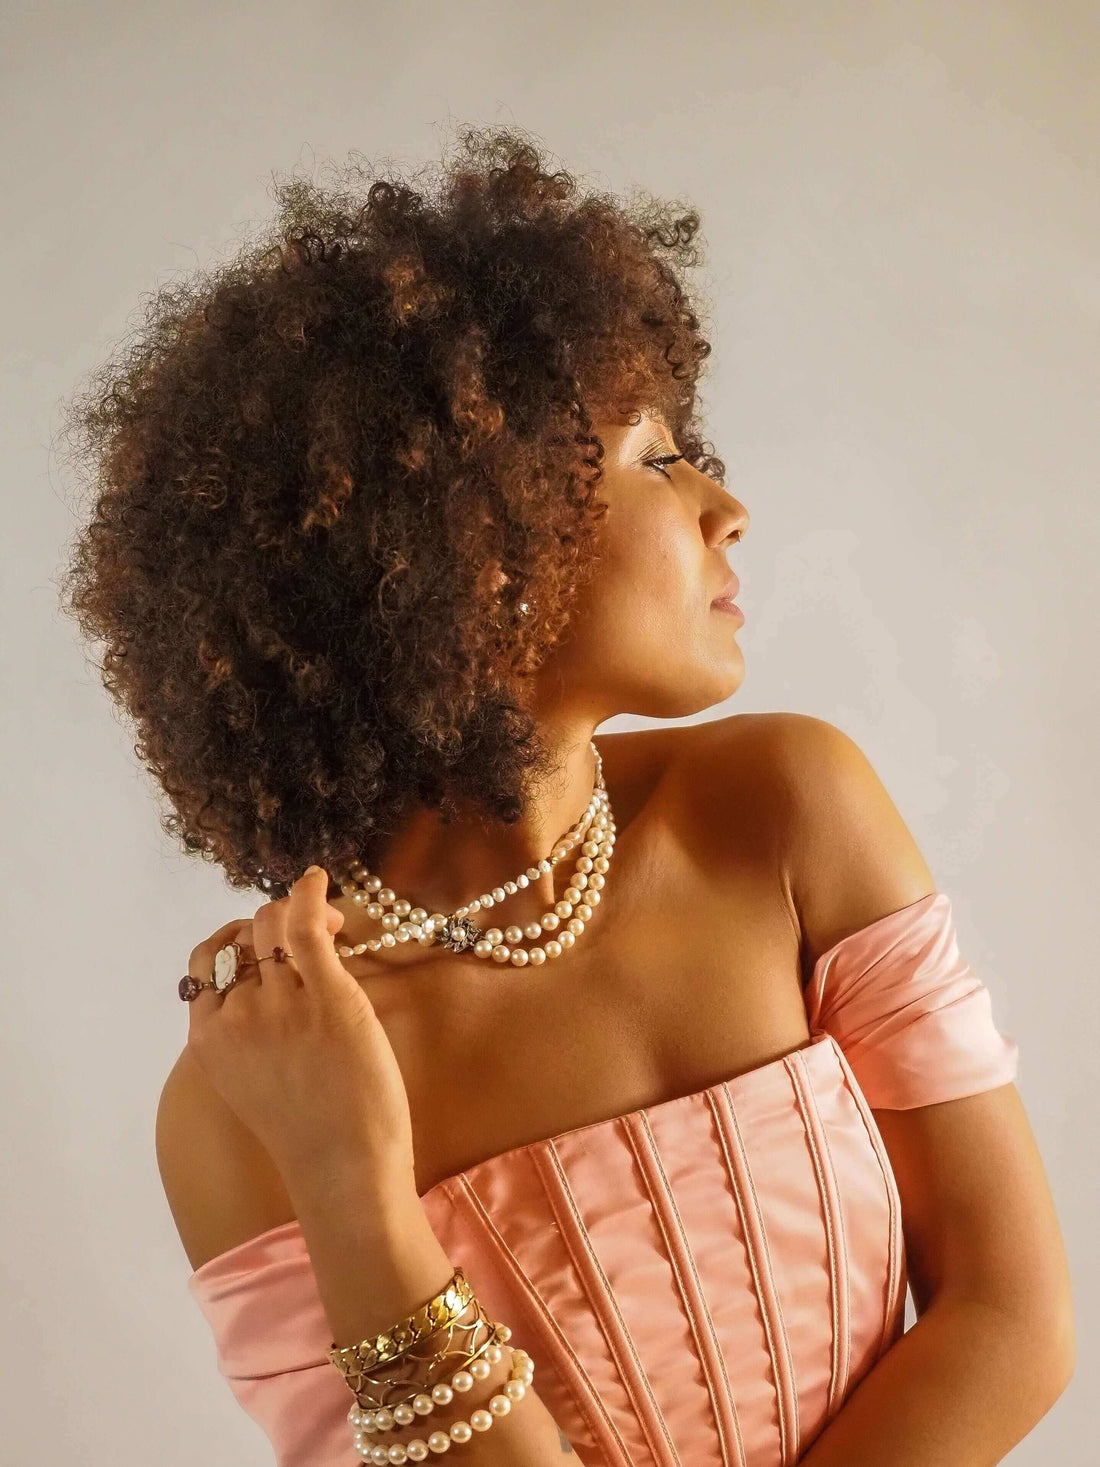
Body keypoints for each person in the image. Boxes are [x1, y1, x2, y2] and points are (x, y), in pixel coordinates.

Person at [60, 124, 1072, 1465]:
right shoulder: (253, 1088)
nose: (728, 508)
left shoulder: (785, 812)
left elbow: (1014, 1319)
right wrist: (356, 1195)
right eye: (658, 457)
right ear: (471, 544)